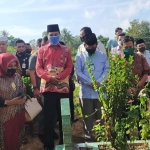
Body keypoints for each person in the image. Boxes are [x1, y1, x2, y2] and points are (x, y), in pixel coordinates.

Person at [36, 24, 73, 150]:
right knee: (48, 118)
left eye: (56, 34)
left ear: (59, 34)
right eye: (51, 35)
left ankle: (64, 142)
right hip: (47, 89)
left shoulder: (66, 50)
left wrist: (60, 77)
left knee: (64, 116)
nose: (54, 36)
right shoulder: (42, 50)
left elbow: (69, 66)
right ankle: (48, 145)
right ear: (47, 36)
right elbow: (38, 68)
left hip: (63, 88)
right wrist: (48, 78)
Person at [75, 33, 109, 140]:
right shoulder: (80, 57)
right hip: (86, 93)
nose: (90, 48)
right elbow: (79, 72)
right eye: (88, 46)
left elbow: (107, 70)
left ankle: (101, 138)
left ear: (96, 44)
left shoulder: (102, 55)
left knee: (101, 117)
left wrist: (99, 81)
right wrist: (90, 82)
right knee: (87, 118)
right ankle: (89, 138)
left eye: (93, 46)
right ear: (84, 45)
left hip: (100, 93)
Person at [0, 53, 26, 150]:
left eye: (15, 65)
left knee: (16, 140)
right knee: (6, 142)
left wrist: (23, 96)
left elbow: (21, 90)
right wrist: (10, 102)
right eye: (10, 65)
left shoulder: (16, 77)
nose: (13, 68)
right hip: (4, 117)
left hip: (17, 114)